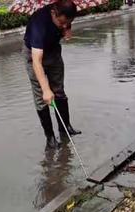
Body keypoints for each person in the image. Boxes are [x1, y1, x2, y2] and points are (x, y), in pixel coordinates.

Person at [24, 0, 82, 150]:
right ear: (53, 13)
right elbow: (37, 61)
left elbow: (65, 25)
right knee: (42, 98)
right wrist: (45, 89)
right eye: (62, 22)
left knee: (59, 91)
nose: (65, 25)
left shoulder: (64, 13)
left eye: (68, 22)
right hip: (34, 56)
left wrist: (67, 27)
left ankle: (65, 128)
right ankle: (50, 138)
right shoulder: (39, 23)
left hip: (53, 52)